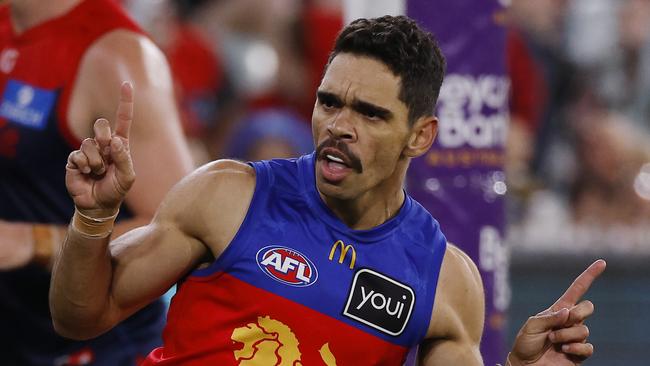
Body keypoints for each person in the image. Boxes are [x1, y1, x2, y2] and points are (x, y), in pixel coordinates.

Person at [50, 16, 604, 365]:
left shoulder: (444, 282)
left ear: (420, 136)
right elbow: (81, 316)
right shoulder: (227, 195)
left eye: (368, 113)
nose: (339, 125)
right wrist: (93, 220)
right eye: (329, 101)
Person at [0, 0, 193, 364]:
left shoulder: (117, 54)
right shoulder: (8, 24)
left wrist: (31, 242)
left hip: (95, 348)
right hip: (16, 336)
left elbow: (177, 226)